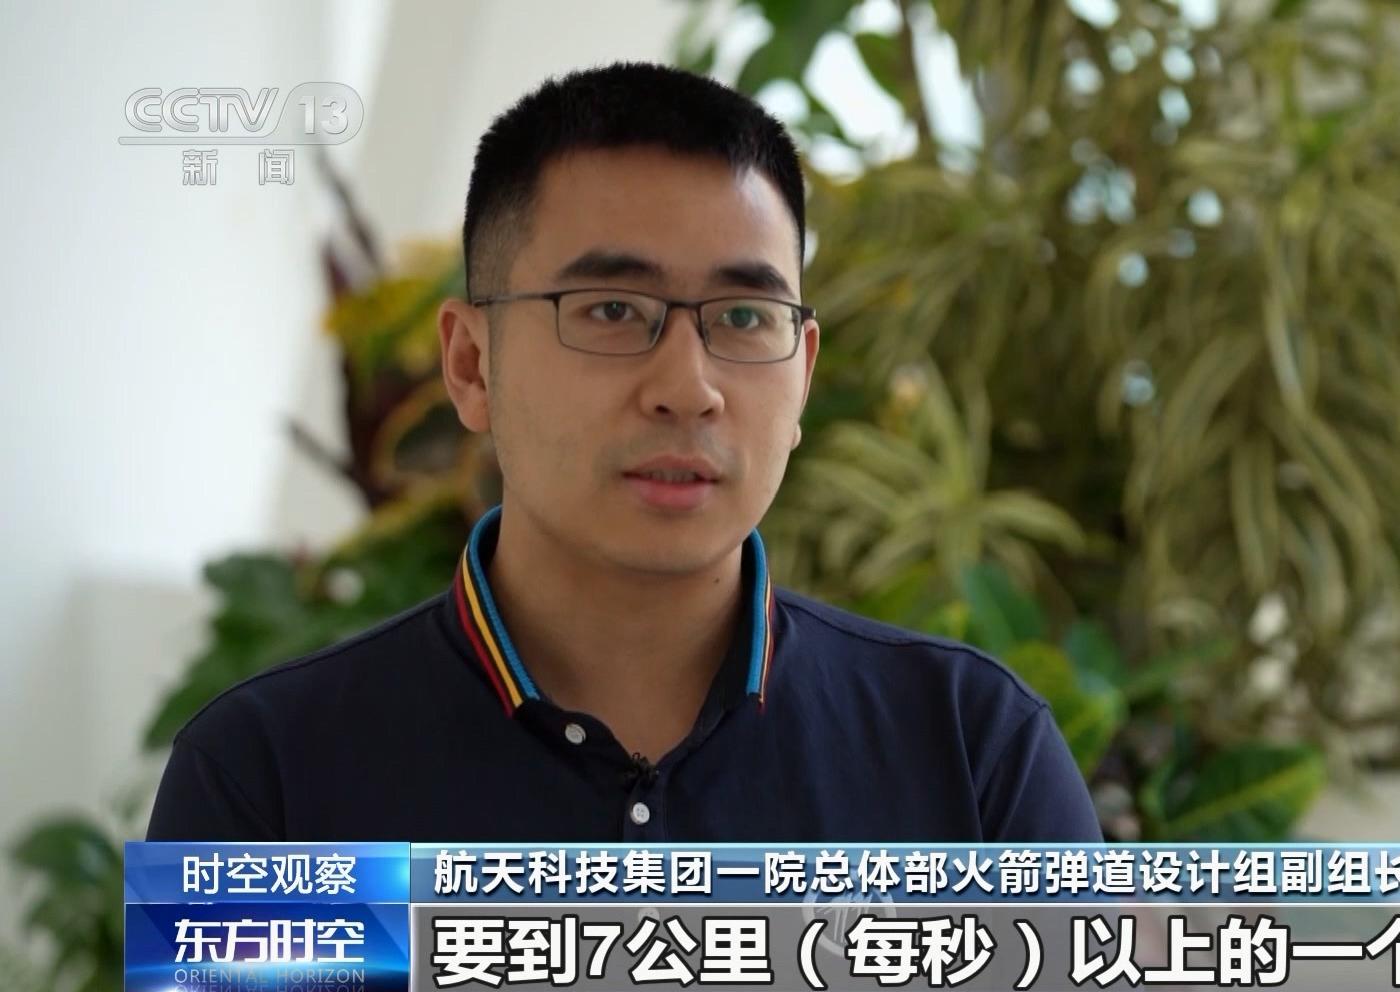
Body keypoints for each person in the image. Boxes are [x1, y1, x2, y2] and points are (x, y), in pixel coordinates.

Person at [146, 61, 1102, 842]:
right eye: (611, 309)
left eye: (743, 316)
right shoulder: (266, 777)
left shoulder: (975, 751)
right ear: (472, 364)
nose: (688, 387)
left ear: (803, 373)